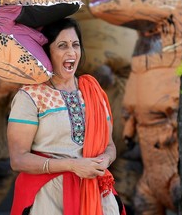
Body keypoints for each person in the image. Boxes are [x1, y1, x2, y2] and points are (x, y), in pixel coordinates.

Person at [7, 17, 125, 215]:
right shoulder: (30, 96)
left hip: (95, 192)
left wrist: (104, 160)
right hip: (49, 197)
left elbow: (110, 145)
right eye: (62, 46)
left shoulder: (93, 91)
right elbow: (18, 159)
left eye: (75, 45)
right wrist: (72, 165)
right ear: (48, 52)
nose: (71, 52)